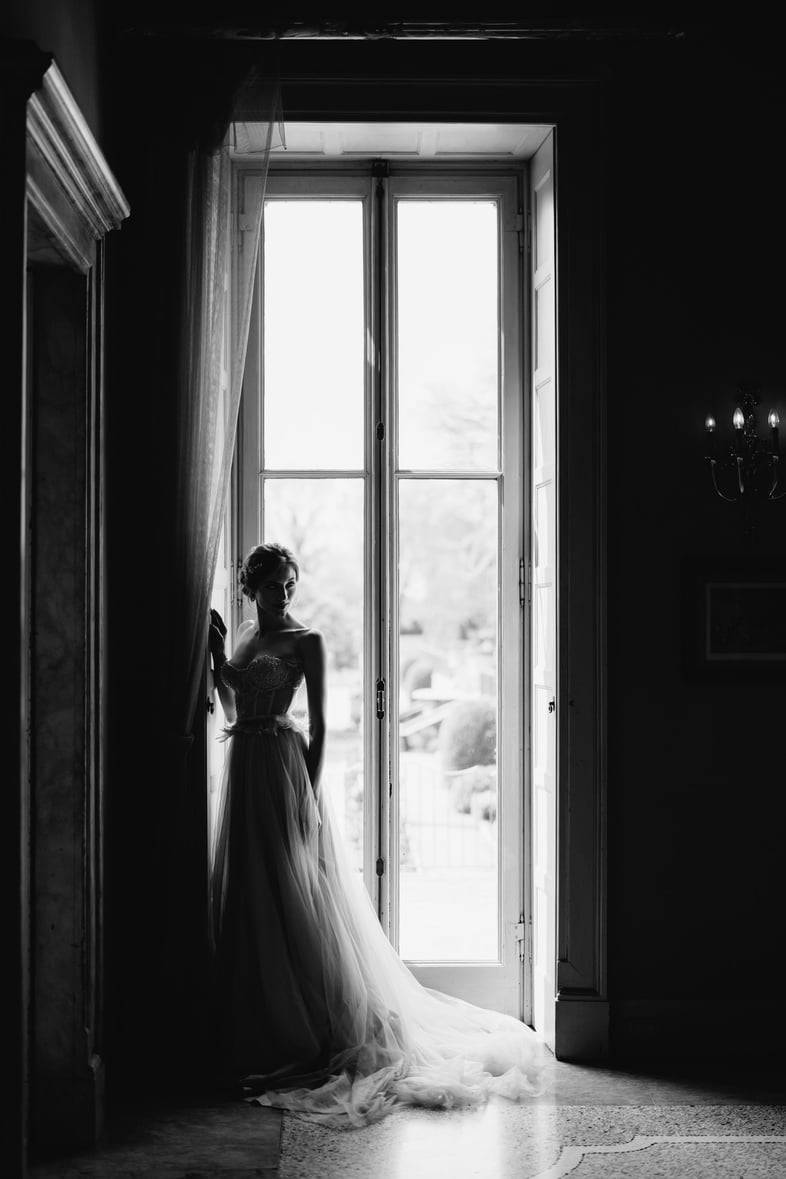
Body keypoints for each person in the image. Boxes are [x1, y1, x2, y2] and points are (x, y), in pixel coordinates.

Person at [207, 541, 545, 1129]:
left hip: (282, 769)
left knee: (294, 894)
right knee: (251, 894)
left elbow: (319, 728)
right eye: (274, 586)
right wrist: (217, 662)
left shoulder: (305, 641)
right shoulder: (241, 636)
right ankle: (253, 1023)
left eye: (291, 584)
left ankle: (305, 1027)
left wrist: (306, 799)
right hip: (243, 772)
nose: (284, 594)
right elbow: (234, 705)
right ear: (251, 587)